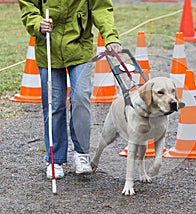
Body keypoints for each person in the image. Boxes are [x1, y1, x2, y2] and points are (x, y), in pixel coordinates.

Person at [18, 0, 122, 179]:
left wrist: (110, 37)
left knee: (80, 97)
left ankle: (82, 154)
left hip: (79, 49)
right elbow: (28, 7)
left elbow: (101, 8)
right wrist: (37, 23)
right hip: (48, 49)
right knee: (54, 104)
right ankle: (54, 159)